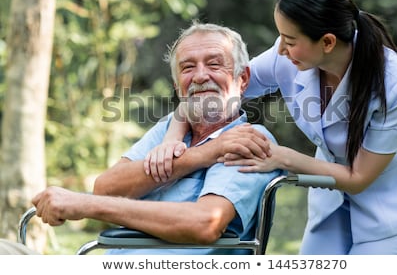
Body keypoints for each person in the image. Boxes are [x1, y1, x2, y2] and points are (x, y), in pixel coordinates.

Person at [146, 0, 397, 255]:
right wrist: (172, 137)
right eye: (281, 38)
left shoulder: (396, 83)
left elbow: (359, 178)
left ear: (327, 42)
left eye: (289, 41)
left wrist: (280, 157)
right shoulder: (286, 57)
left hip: (396, 197)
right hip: (332, 190)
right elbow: (217, 92)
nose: (280, 51)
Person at [0, 22, 282, 255]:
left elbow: (205, 224)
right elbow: (107, 187)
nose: (199, 76)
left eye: (214, 64)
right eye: (187, 68)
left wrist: (84, 205)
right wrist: (199, 156)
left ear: (243, 79)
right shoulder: (169, 129)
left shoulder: (248, 139)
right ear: (176, 85)